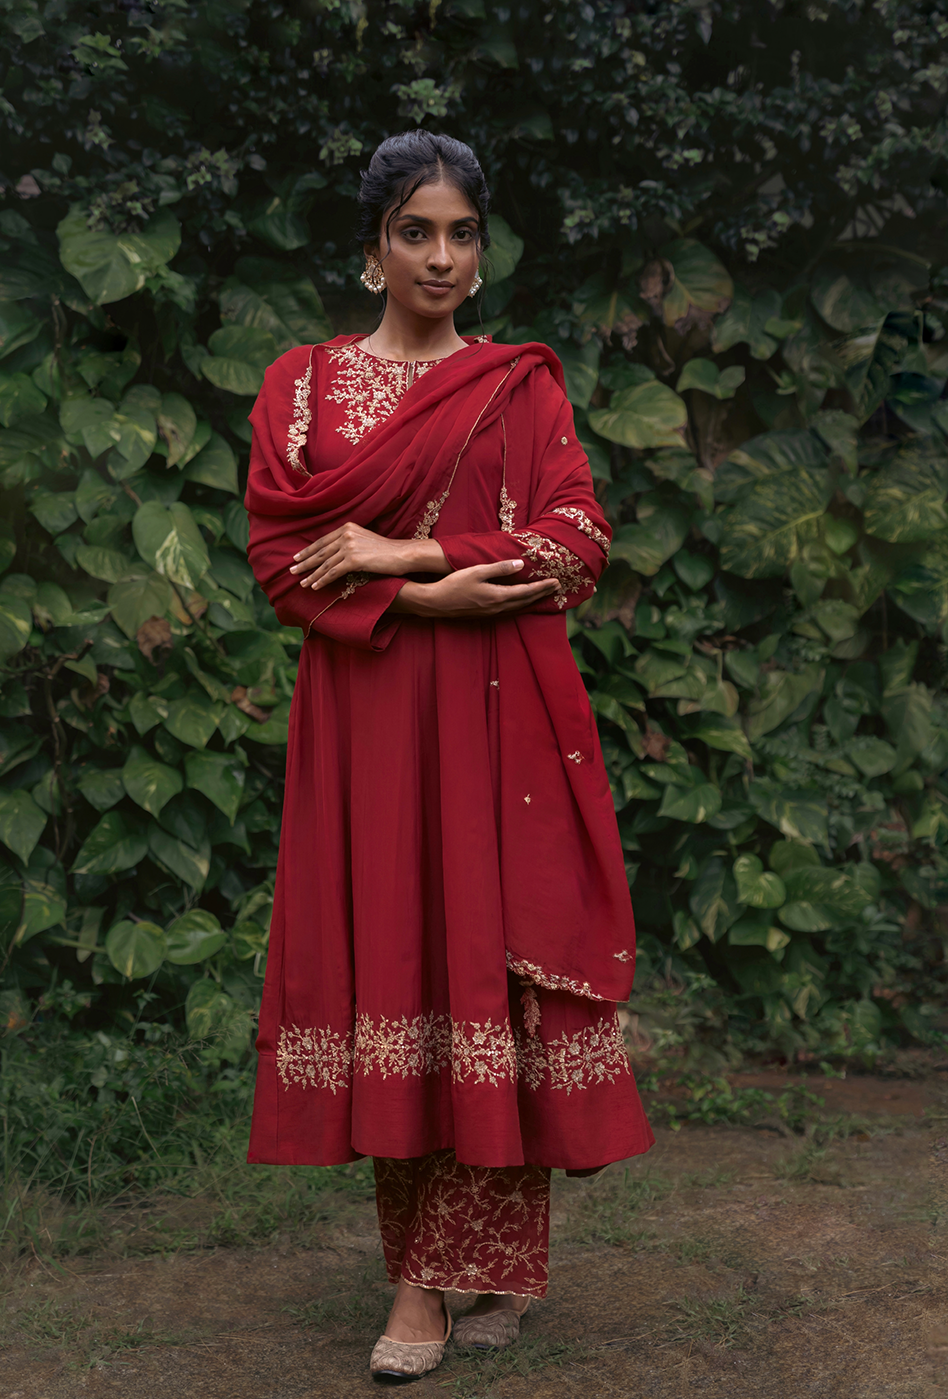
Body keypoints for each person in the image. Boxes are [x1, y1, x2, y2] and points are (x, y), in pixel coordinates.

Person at [244, 130, 654, 1384]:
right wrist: (421, 601)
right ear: (371, 250)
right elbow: (277, 556)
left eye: (459, 232)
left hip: (495, 719)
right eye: (413, 231)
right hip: (367, 720)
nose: (438, 254)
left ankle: (450, 1276)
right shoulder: (303, 387)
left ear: (481, 253)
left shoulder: (520, 385)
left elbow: (576, 542)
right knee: (401, 968)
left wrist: (403, 553)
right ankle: (423, 1274)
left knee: (490, 968)